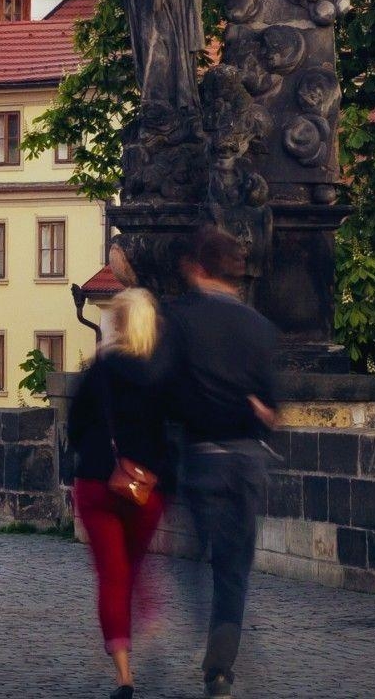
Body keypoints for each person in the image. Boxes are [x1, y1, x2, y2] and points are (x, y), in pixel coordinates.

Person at [164, 225, 283, 698]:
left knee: (192, 560)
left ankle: (208, 640)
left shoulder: (176, 319)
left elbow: (164, 392)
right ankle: (221, 664)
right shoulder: (258, 326)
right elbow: (270, 410)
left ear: (196, 267)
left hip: (202, 458)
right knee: (233, 569)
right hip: (248, 460)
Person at [65, 287, 174, 698]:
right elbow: (170, 436)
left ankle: (124, 674)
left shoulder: (99, 371)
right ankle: (151, 618)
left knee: (112, 575)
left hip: (97, 482)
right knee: (134, 567)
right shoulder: (160, 375)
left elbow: (74, 429)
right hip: (146, 489)